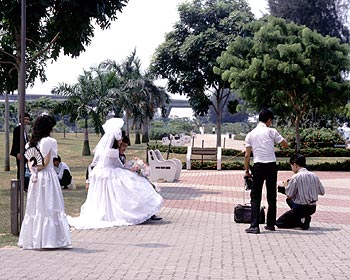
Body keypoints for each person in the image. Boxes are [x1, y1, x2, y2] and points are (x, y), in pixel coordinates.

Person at [68, 118, 163, 229]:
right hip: (110, 172)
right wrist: (133, 168)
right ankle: (139, 211)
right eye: (119, 139)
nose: (120, 141)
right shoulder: (113, 151)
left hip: (100, 173)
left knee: (106, 197)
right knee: (135, 184)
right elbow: (120, 166)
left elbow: (94, 164)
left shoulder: (103, 150)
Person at [18, 114, 72, 249]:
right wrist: (39, 167)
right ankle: (50, 239)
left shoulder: (30, 143)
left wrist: (34, 169)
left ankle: (34, 239)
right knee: (49, 206)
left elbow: (31, 162)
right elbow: (47, 162)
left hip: (35, 177)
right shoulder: (49, 141)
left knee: (36, 207)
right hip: (47, 177)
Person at [244, 108, 289, 234]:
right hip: (271, 166)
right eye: (271, 121)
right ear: (269, 120)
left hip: (258, 166)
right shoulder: (271, 131)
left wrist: (246, 171)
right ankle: (270, 224)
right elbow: (285, 144)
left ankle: (254, 225)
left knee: (255, 196)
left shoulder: (250, 134)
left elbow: (247, 155)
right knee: (271, 196)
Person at [276, 154, 325, 230]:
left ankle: (300, 222)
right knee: (290, 201)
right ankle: (304, 217)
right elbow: (322, 192)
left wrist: (286, 186)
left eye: (291, 166)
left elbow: (289, 194)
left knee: (279, 223)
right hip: (312, 207)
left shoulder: (296, 177)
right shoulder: (314, 176)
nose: (292, 169)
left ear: (295, 164)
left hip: (300, 208)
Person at [10, 112, 31, 191]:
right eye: (25, 119)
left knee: (24, 169)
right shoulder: (17, 129)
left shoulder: (24, 129)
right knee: (20, 169)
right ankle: (20, 186)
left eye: (27, 119)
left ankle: (24, 185)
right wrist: (17, 153)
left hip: (25, 153)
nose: (26, 121)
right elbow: (15, 142)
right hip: (20, 153)